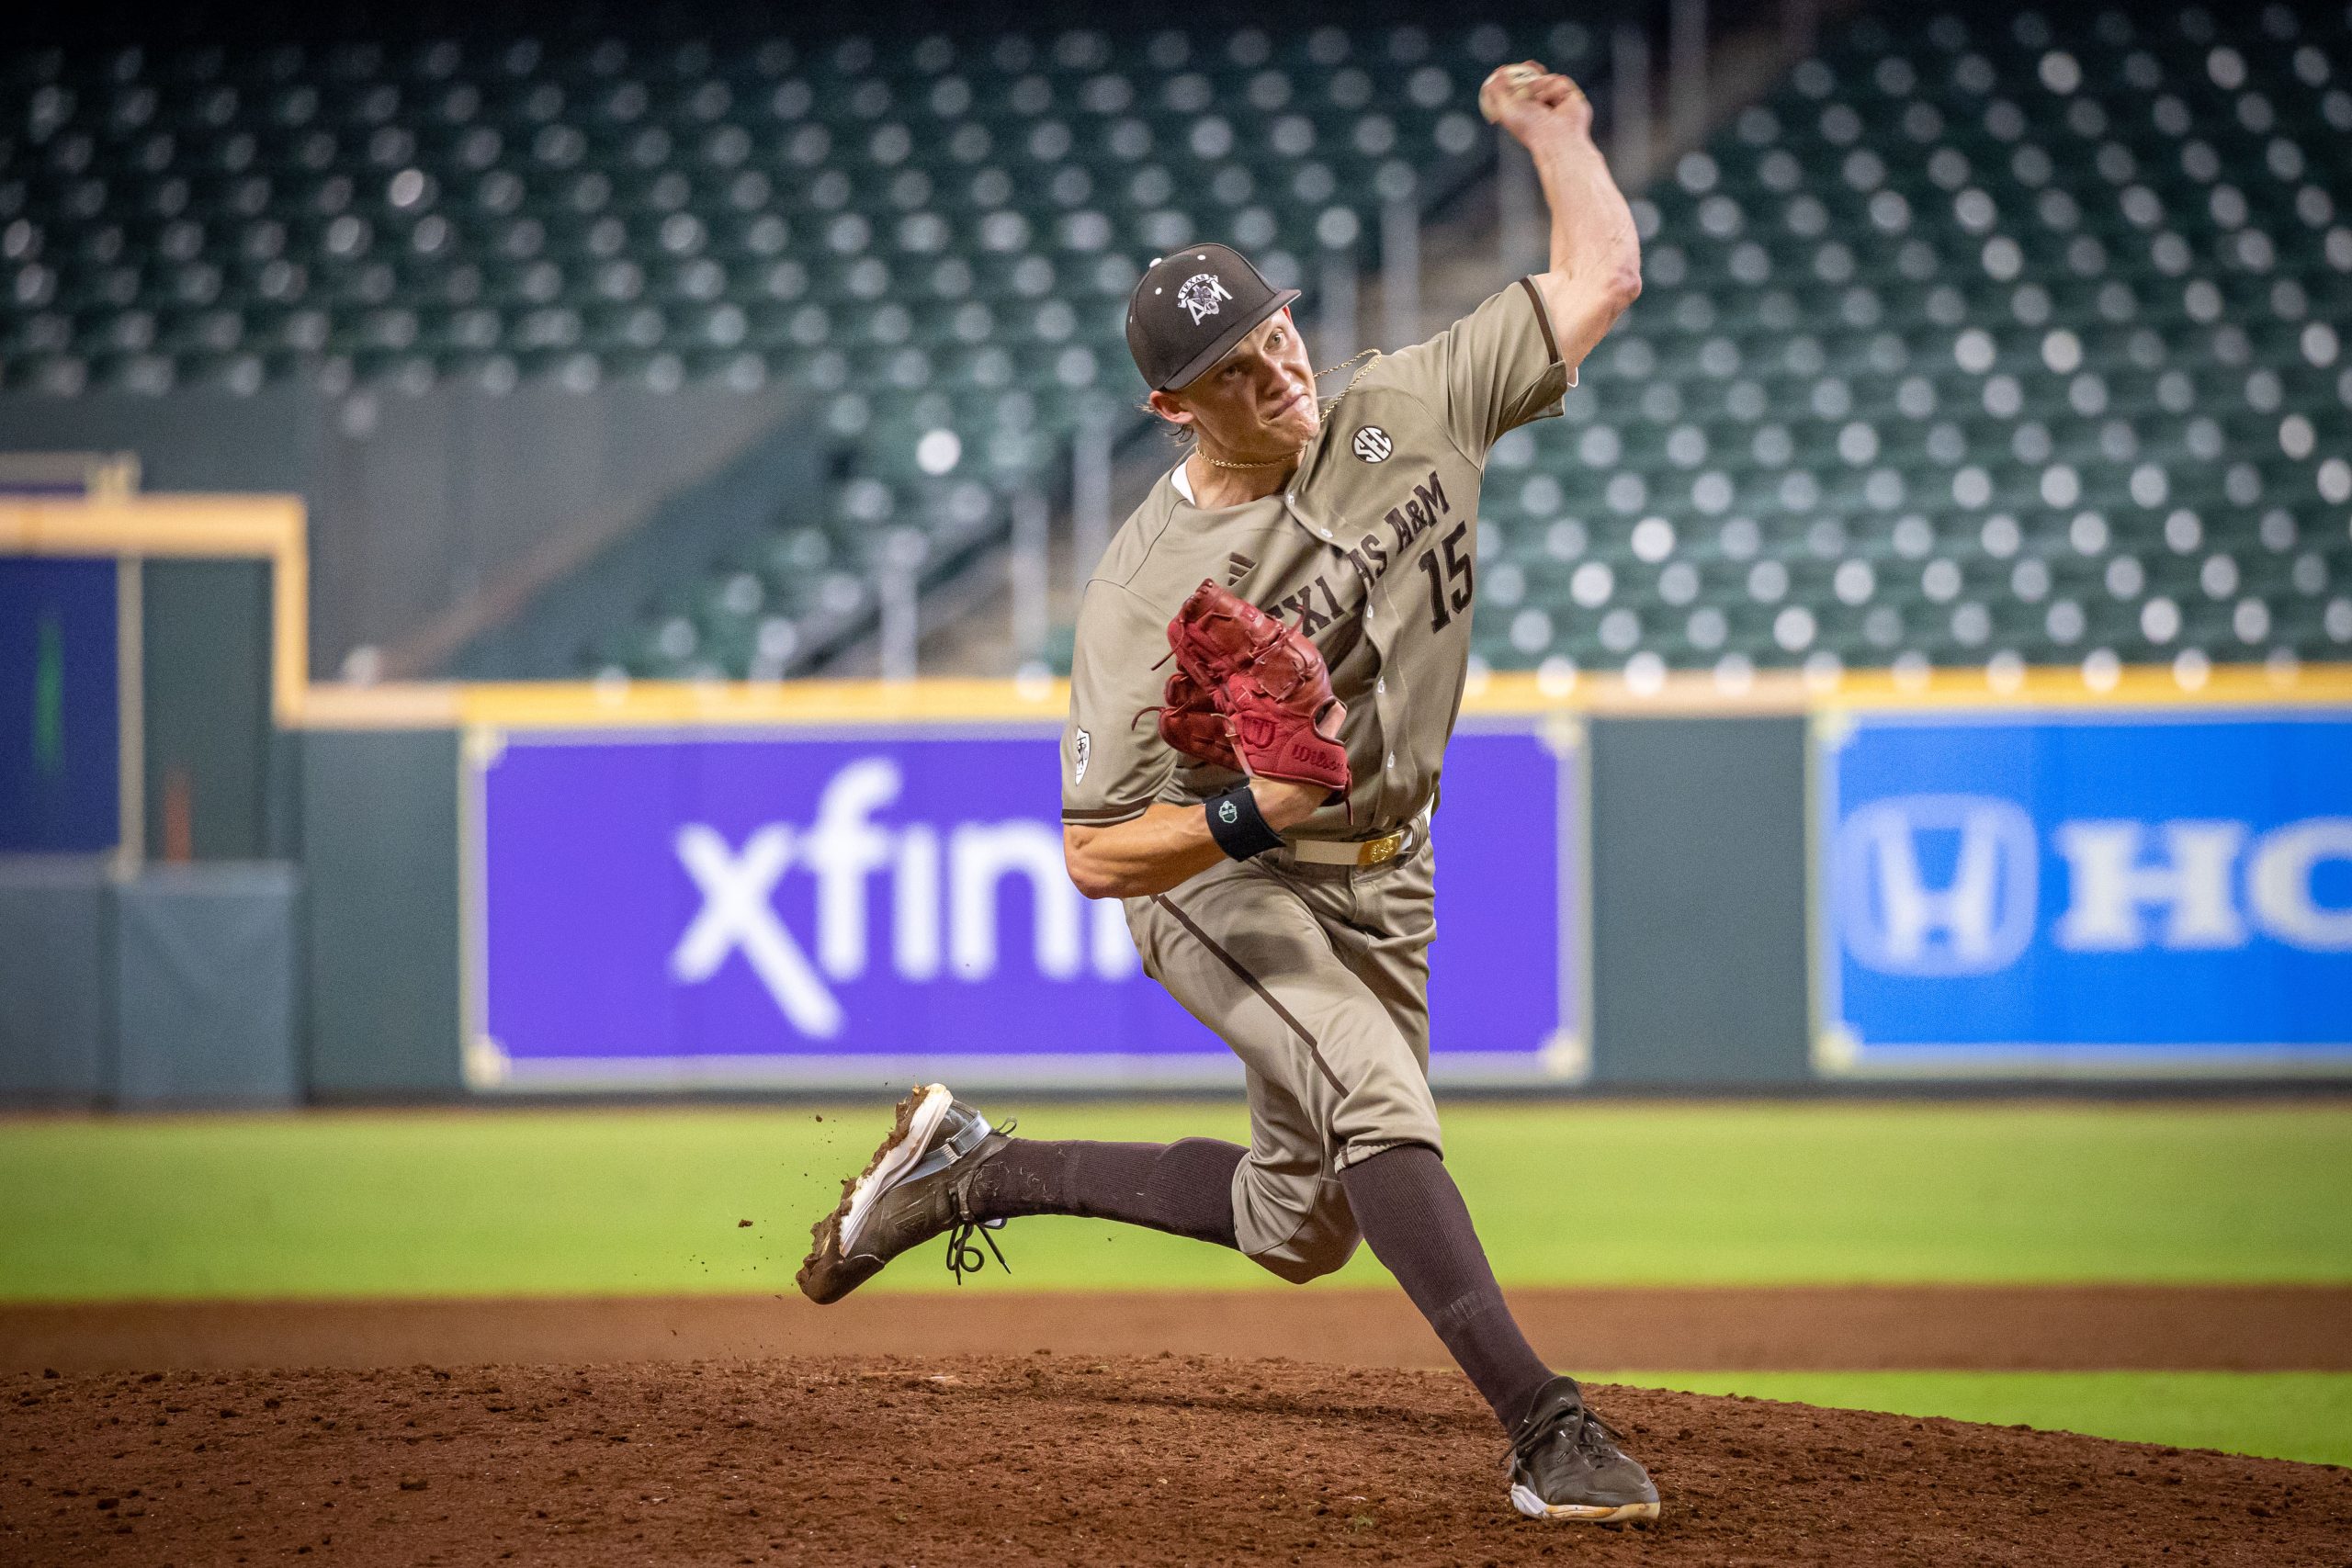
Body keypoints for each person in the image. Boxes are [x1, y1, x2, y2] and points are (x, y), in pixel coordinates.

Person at [799, 61, 1654, 1524]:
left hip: (1389, 868)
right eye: (1238, 375)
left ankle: (973, 1173)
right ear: (1169, 405)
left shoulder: (1409, 408)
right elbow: (1092, 855)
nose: (1282, 377)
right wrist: (1249, 813)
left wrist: (1559, 139)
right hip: (1222, 881)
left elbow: (1605, 272)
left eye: (1279, 337)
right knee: (1376, 1092)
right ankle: (1548, 1429)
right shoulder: (1142, 597)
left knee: (1299, 1221)